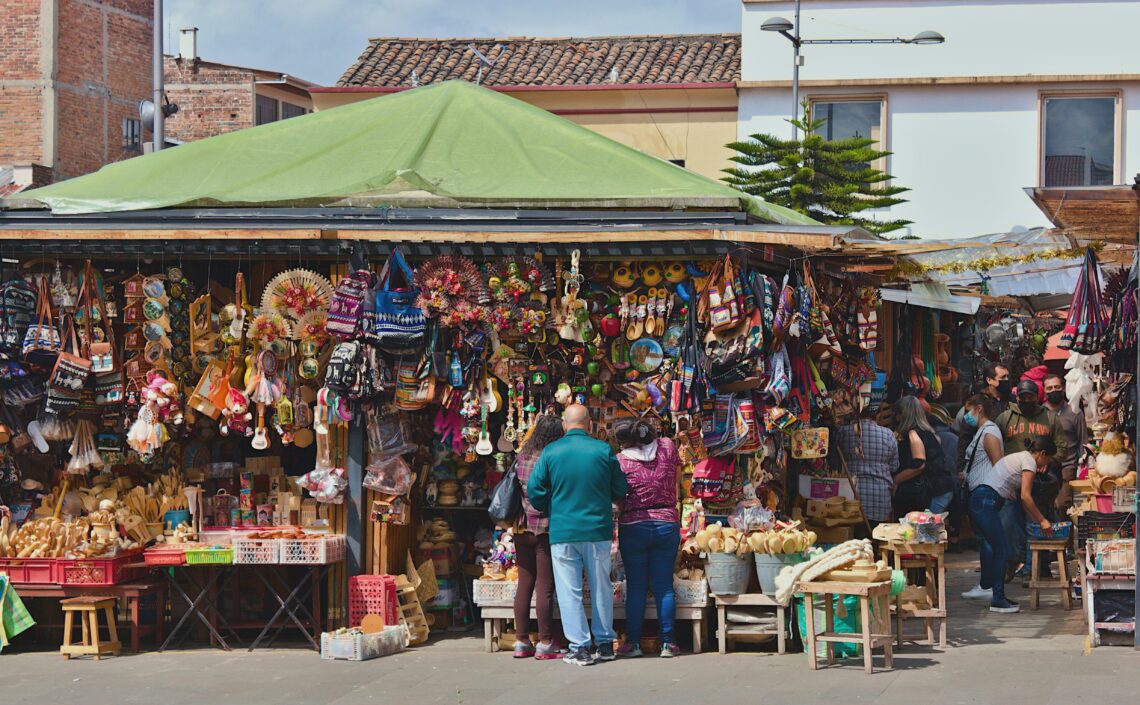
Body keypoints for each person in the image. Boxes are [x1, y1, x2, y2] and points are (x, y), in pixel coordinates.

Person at [527, 404, 628, 666]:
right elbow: (620, 487)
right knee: (601, 586)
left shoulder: (551, 451)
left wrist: (551, 506)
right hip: (597, 529)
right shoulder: (603, 450)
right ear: (589, 424)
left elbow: (534, 489)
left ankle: (580, 647)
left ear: (564, 425)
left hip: (563, 530)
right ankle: (604, 643)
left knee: (569, 591)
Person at [613, 419, 682, 658]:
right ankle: (668, 643)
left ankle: (633, 643)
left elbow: (617, 495)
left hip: (633, 526)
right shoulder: (667, 447)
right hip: (666, 522)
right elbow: (677, 477)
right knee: (664, 586)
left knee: (636, 587)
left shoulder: (620, 461)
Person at [965, 434, 1057, 613]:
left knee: (991, 546)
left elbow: (1017, 494)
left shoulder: (1021, 457)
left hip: (980, 499)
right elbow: (1026, 497)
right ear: (1042, 454)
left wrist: (1011, 492)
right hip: (986, 501)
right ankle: (997, 599)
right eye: (1048, 459)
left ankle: (987, 587)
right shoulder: (1029, 462)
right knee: (1003, 550)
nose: (1045, 464)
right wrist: (1043, 520)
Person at [511, 415, 565, 660]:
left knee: (525, 583)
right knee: (545, 586)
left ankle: (521, 641)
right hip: (545, 527)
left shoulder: (522, 455)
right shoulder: (552, 459)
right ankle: (545, 641)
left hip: (521, 526)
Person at [958, 394, 1006, 600]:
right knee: (987, 541)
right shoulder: (982, 431)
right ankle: (987, 585)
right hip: (980, 492)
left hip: (985, 494)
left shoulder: (990, 432)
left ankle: (990, 587)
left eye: (968, 410)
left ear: (978, 409)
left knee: (992, 543)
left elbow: (999, 465)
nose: (965, 415)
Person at [835, 406, 899, 527]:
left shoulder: (843, 432)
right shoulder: (888, 434)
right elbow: (894, 466)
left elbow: (836, 460)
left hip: (852, 495)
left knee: (852, 535)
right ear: (877, 415)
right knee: (877, 535)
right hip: (880, 496)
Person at [892, 396, 953, 516]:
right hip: (941, 488)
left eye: (897, 414)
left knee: (925, 525)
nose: (896, 418)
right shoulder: (928, 432)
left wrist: (896, 479)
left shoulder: (913, 434)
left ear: (903, 415)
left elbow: (919, 464)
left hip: (936, 490)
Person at [1043, 373, 1087, 511]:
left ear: (1063, 388)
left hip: (1067, 467)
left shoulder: (1075, 412)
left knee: (1062, 504)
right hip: (1045, 467)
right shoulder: (1039, 413)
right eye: (1049, 388)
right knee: (1046, 506)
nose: (1054, 390)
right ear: (1044, 390)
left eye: (1057, 387)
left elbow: (1083, 441)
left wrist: (1082, 466)